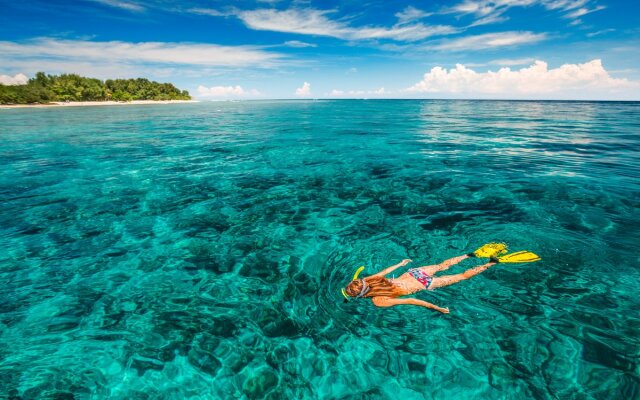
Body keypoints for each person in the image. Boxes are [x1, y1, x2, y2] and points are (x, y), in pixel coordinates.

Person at [341, 243, 540, 314]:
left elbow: (412, 300)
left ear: (361, 296)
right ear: (362, 283)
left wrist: (437, 308)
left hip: (425, 284)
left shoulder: (378, 301)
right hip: (414, 273)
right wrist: (402, 264)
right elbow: (385, 271)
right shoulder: (371, 279)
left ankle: (493, 262)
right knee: (444, 264)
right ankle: (471, 255)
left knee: (462, 276)